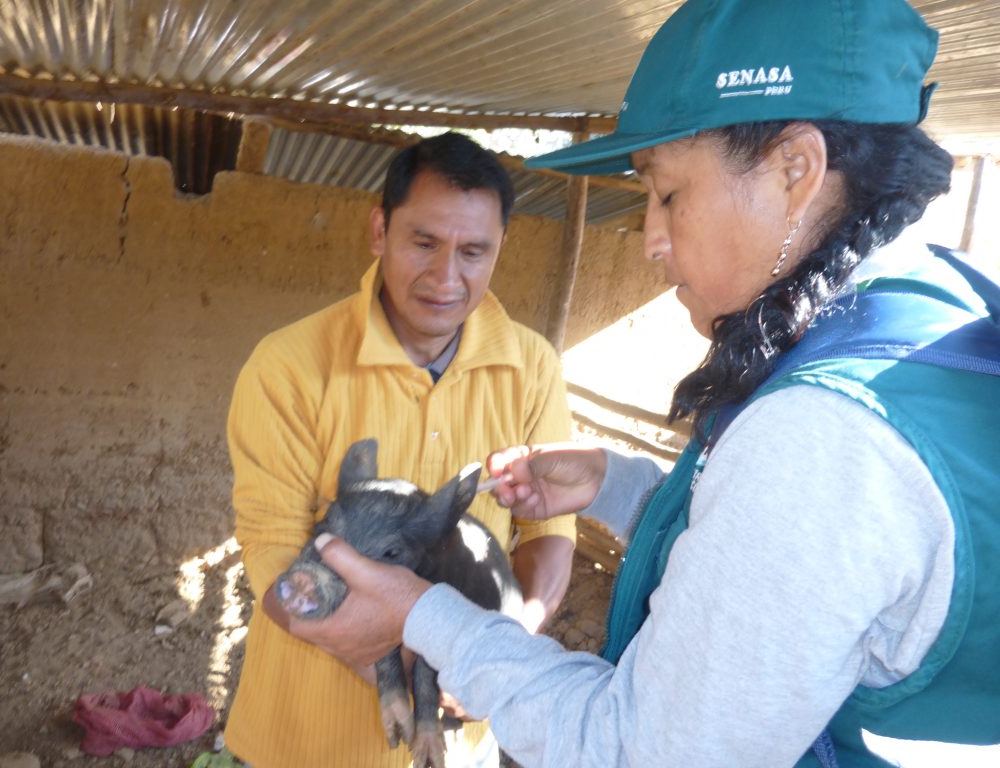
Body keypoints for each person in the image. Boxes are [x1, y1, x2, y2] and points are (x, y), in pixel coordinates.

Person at [296, 1, 1000, 766]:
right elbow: (794, 575)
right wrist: (624, 486)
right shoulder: (932, 315)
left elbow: (634, 749)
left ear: (795, 172)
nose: (651, 242)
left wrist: (423, 614)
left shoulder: (826, 438)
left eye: (666, 195)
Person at [223, 131, 577, 768]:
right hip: (300, 743)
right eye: (424, 242)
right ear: (380, 230)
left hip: (460, 748)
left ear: (500, 250)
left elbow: (548, 528)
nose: (447, 277)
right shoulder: (289, 367)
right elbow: (274, 555)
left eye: (474, 251)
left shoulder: (533, 368)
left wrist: (505, 643)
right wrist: (423, 666)